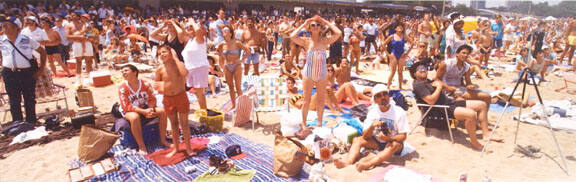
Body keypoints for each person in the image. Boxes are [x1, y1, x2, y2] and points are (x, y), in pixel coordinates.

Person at [410, 61, 502, 150]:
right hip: (440, 109)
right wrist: (439, 87)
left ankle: (486, 134)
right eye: (420, 69)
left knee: (482, 105)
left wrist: (447, 87)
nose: (423, 70)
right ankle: (474, 143)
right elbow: (430, 101)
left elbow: (439, 84)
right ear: (414, 74)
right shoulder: (419, 85)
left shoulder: (427, 81)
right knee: (471, 115)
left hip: (448, 103)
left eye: (424, 68)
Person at [334, 84, 409, 171]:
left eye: (385, 94)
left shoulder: (398, 112)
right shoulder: (373, 112)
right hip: (377, 142)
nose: (383, 97)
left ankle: (369, 164)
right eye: (379, 96)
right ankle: (347, 162)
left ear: (388, 96)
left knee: (395, 144)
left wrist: (389, 138)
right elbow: (365, 136)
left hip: (392, 142)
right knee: (358, 140)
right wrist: (372, 126)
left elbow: (403, 136)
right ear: (375, 100)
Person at [289, 15, 342, 128]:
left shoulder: (325, 41)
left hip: (322, 74)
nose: (315, 26)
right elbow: (292, 35)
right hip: (308, 74)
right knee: (306, 100)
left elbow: (338, 33)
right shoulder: (306, 41)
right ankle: (303, 123)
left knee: (321, 100)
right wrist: (304, 24)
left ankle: (319, 123)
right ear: (309, 27)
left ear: (321, 27)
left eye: (318, 25)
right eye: (313, 25)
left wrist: (325, 21)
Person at [0, 15, 47, 123]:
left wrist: (40, 69)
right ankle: (17, 123)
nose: (3, 28)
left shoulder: (26, 39)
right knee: (13, 100)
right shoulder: (1, 40)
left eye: (6, 26)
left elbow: (42, 52)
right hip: (9, 73)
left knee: (29, 99)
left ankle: (31, 122)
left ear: (16, 27)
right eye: (3, 26)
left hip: (26, 73)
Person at [118, 64, 167, 154]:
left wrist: (151, 110)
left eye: (126, 70)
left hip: (145, 108)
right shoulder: (122, 88)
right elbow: (127, 106)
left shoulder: (145, 84)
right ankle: (141, 145)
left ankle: (163, 140)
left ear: (134, 72)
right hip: (130, 110)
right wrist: (144, 112)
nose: (123, 73)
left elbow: (152, 99)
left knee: (162, 111)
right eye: (122, 72)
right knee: (134, 117)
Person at [154, 45, 194, 157]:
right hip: (168, 99)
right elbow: (157, 86)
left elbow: (184, 73)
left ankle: (189, 148)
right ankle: (176, 148)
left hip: (180, 97)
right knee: (173, 124)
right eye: (159, 53)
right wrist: (161, 87)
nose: (162, 55)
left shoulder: (179, 65)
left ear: (171, 53)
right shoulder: (160, 69)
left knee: (184, 124)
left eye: (164, 52)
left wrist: (176, 58)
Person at [217, 25, 250, 108]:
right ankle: (234, 105)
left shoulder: (237, 42)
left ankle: (242, 106)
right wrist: (223, 61)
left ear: (230, 33)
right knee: (231, 87)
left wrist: (242, 60)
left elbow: (248, 50)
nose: (223, 31)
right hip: (227, 66)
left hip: (237, 65)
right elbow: (218, 51)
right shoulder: (222, 44)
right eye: (223, 30)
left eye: (226, 30)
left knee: (238, 87)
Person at [180, 18, 209, 110]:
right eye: (188, 28)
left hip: (199, 67)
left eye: (191, 27)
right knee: (197, 92)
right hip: (191, 68)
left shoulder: (200, 38)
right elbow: (182, 32)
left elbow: (198, 31)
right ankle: (203, 111)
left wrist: (192, 21)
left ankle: (204, 113)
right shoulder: (190, 41)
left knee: (200, 93)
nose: (189, 29)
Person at [65, 12, 94, 84]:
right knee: (78, 61)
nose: (72, 16)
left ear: (78, 16)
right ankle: (78, 79)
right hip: (77, 44)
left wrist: (85, 37)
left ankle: (90, 77)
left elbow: (91, 34)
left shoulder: (85, 24)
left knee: (89, 61)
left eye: (74, 15)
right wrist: (80, 37)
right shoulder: (69, 25)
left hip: (87, 43)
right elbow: (68, 37)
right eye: (71, 15)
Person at [383, 24, 412, 89]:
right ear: (395, 29)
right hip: (394, 54)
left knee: (400, 71)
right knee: (393, 71)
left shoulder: (404, 36)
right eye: (398, 27)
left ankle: (400, 86)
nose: (400, 28)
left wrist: (407, 53)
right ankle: (388, 85)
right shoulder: (392, 36)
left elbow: (412, 43)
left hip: (401, 54)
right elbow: (383, 44)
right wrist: (387, 54)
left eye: (401, 27)